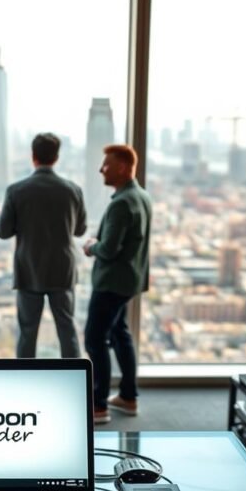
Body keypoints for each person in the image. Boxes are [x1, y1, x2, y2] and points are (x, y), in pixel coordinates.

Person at [0, 132, 87, 358]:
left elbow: (3, 232)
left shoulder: (16, 191)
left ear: (33, 156)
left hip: (29, 271)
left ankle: (25, 383)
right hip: (62, 271)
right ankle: (74, 382)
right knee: (67, 329)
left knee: (27, 332)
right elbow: (80, 230)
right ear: (56, 157)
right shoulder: (73, 190)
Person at [83, 143, 151, 424]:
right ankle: (128, 396)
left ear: (122, 167)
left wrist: (91, 246)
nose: (101, 169)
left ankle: (99, 405)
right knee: (120, 334)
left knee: (94, 339)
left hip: (111, 283)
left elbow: (108, 249)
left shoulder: (122, 203)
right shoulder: (142, 196)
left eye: (106, 164)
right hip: (130, 280)